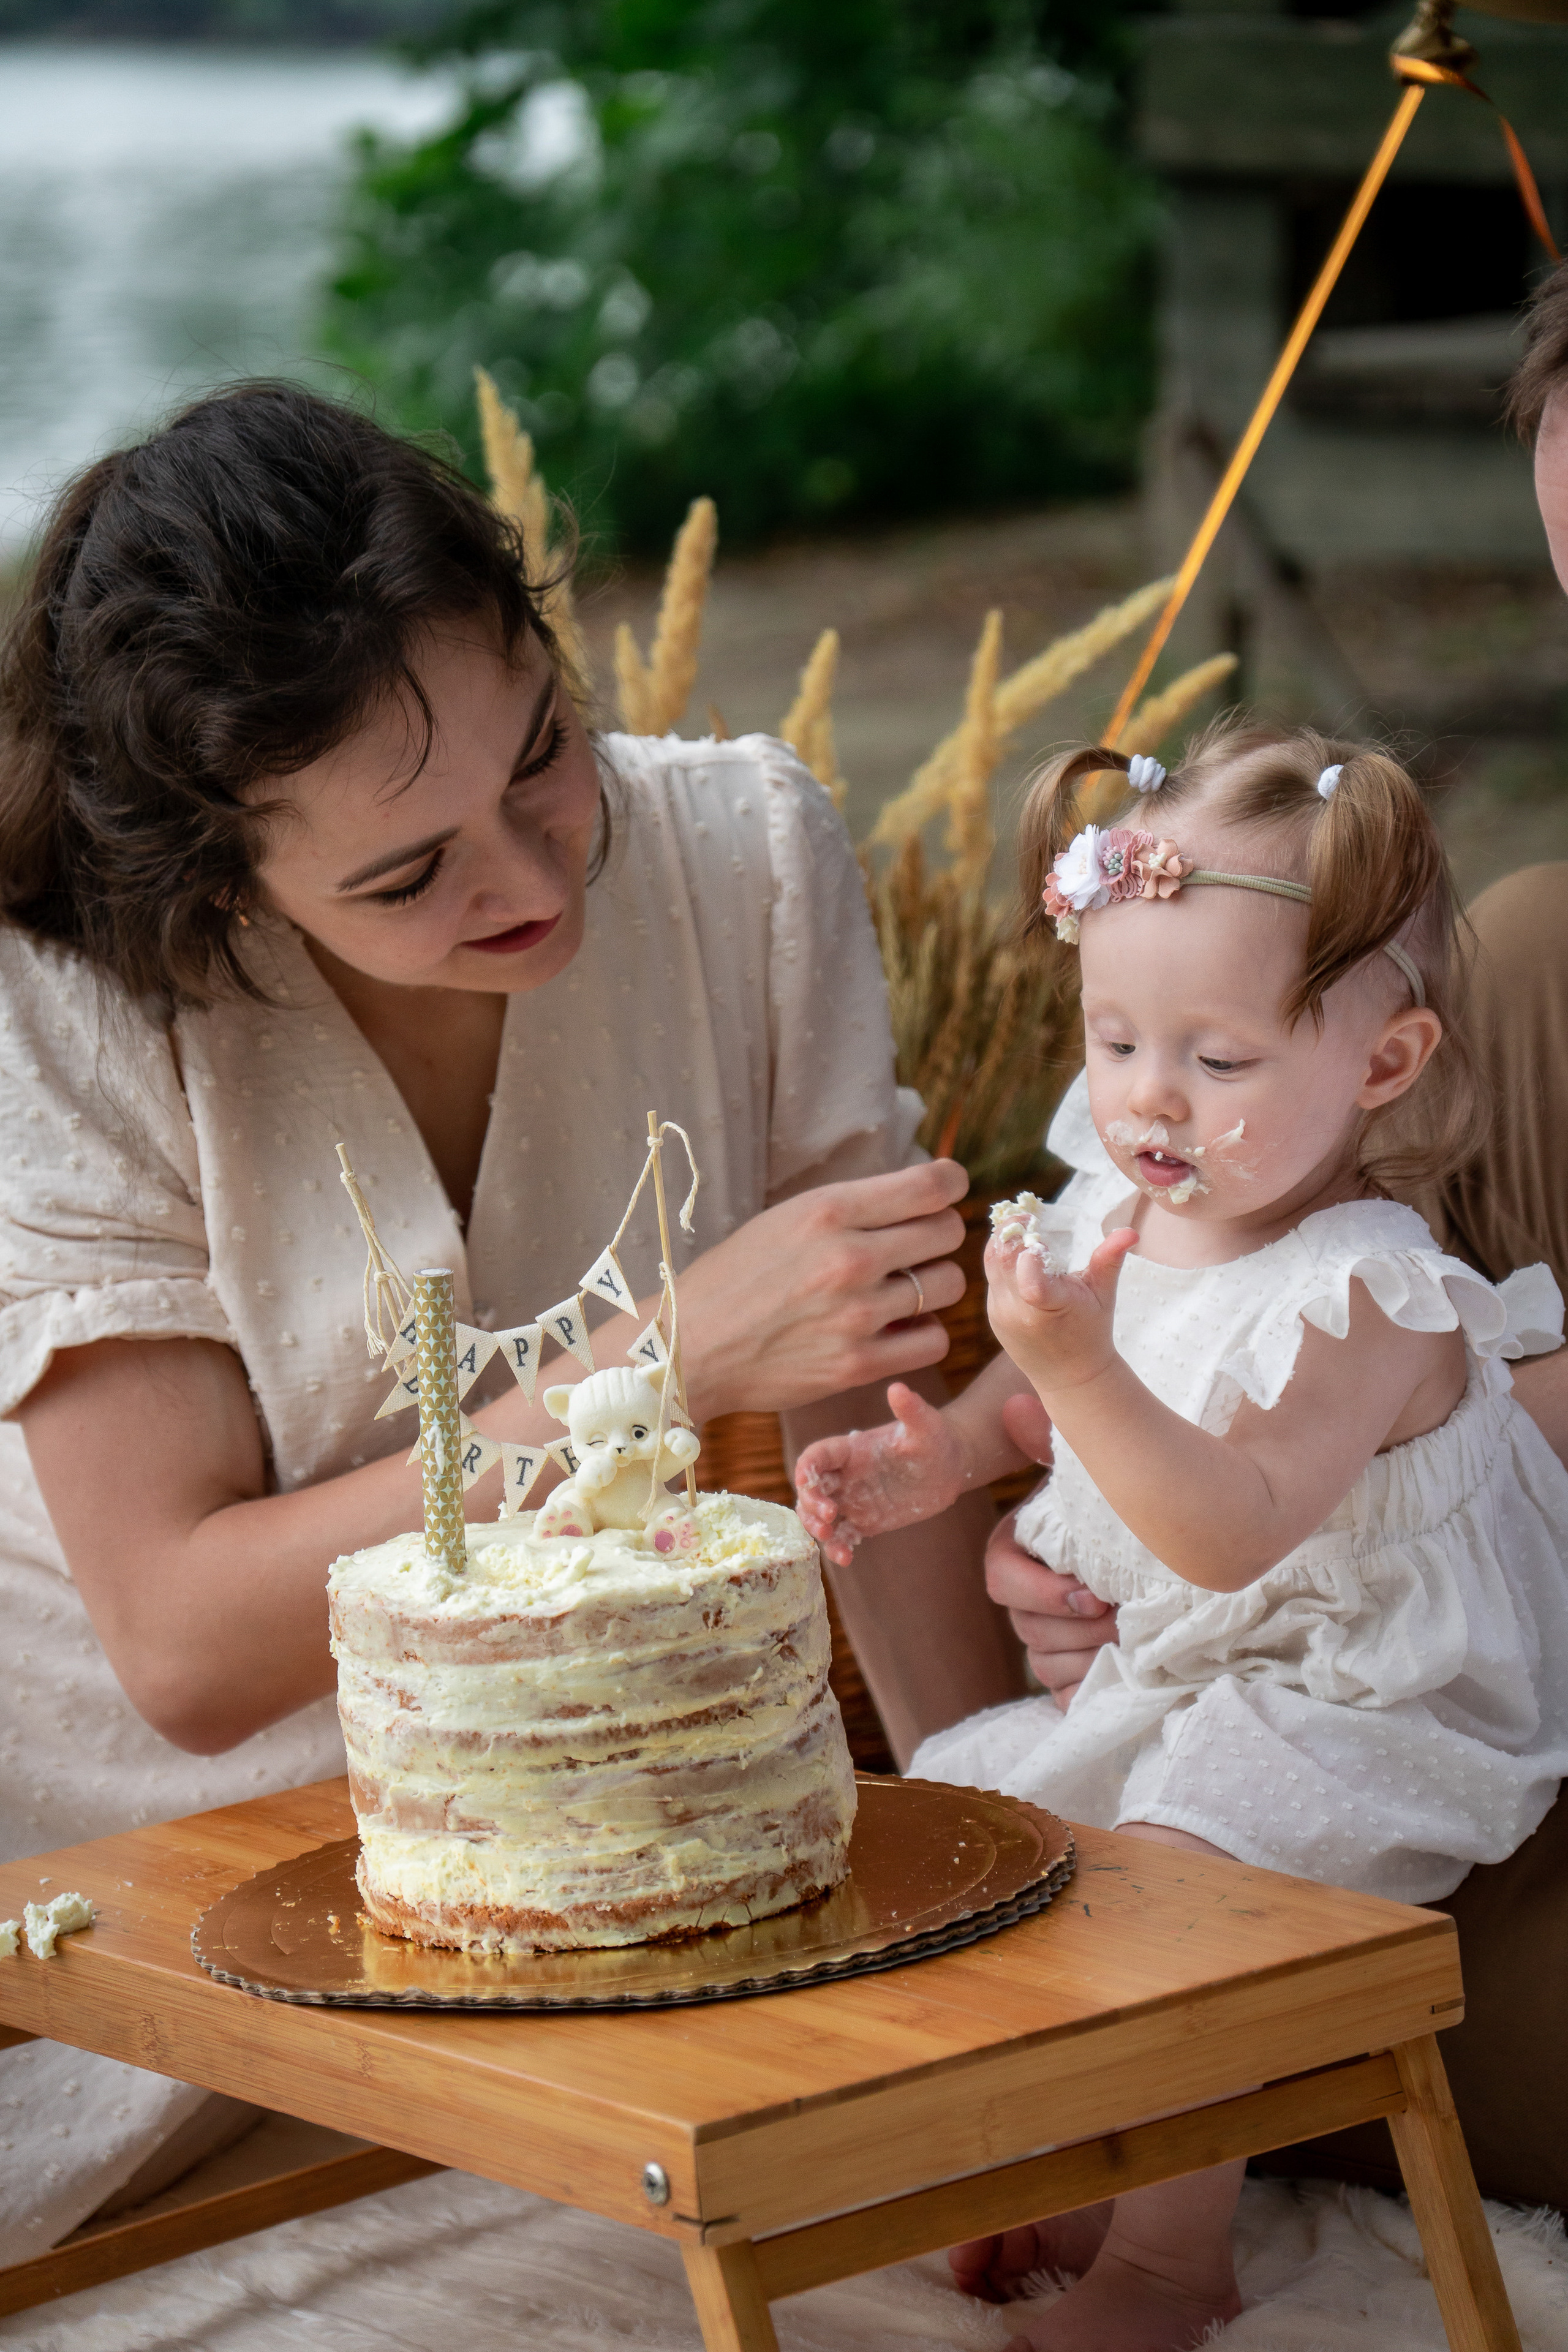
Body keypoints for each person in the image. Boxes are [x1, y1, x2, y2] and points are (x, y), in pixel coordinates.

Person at [0, 382, 1019, 2259]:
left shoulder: (746, 854)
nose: (538, 877)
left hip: (610, 1827)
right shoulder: (73, 1000)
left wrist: (1005, 1888)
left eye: (544, 752)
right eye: (409, 873)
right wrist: (669, 1358)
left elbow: (872, 1442)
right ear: (215, 879)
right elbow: (185, 1649)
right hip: (142, 1855)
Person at [797, 720, 1568, 2352]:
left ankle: (1168, 2263)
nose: (1150, 1097)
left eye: (1219, 1062)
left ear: (1383, 1066)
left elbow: (1235, 1529)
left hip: (1380, 1688)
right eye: (1116, 1037)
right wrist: (943, 1458)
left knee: (1181, 1887)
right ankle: (1087, 2156)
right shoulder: (1130, 1200)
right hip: (1212, 1669)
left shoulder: (1371, 1291)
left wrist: (1078, 1368)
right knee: (1001, 1827)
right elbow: (1029, 1399)